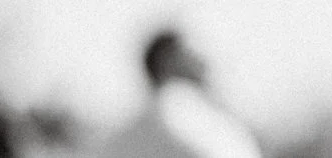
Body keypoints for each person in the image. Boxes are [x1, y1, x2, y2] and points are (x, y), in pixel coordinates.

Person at [95, 29, 261, 158]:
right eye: (191, 51)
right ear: (168, 60)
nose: (203, 59)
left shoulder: (132, 127)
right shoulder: (179, 108)